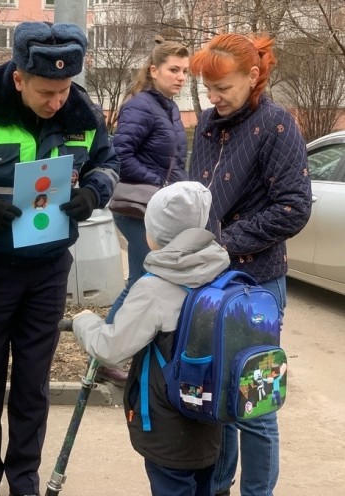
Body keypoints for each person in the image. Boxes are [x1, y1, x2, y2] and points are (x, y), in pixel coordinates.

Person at [0, 21, 119, 496]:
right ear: (17, 78)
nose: (58, 102)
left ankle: (24, 480)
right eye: (47, 91)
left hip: (49, 271)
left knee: (33, 383)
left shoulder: (82, 112)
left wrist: (93, 193)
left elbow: (109, 164)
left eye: (65, 88)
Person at [188, 33, 312, 496]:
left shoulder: (277, 124)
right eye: (208, 89)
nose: (213, 98)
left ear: (253, 75)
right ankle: (218, 487)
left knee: (255, 404)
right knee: (217, 397)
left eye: (223, 88)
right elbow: (197, 194)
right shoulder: (205, 122)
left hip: (257, 285)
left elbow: (293, 208)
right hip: (208, 281)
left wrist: (223, 244)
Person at [72, 181, 231, 495]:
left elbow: (110, 349)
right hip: (211, 416)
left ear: (156, 234)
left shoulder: (154, 288)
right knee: (204, 487)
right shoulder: (220, 275)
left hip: (167, 421)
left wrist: (85, 322)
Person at [99, 36, 190, 386]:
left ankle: (131, 351)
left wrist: (183, 190)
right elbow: (121, 156)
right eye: (173, 70)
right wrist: (162, 185)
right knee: (142, 278)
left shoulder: (167, 107)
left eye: (185, 71)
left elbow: (175, 161)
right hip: (137, 208)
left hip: (158, 208)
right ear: (154, 71)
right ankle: (104, 353)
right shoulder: (140, 106)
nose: (181, 77)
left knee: (150, 278)